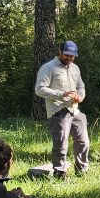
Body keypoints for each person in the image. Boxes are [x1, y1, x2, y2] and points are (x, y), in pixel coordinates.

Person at [35, 40, 89, 180]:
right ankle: (60, 174)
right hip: (58, 110)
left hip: (75, 109)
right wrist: (60, 94)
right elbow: (39, 89)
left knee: (83, 141)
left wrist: (80, 97)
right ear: (59, 52)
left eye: (72, 56)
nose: (69, 58)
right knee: (61, 144)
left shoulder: (75, 68)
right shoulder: (48, 67)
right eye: (66, 55)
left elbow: (81, 86)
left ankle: (82, 172)